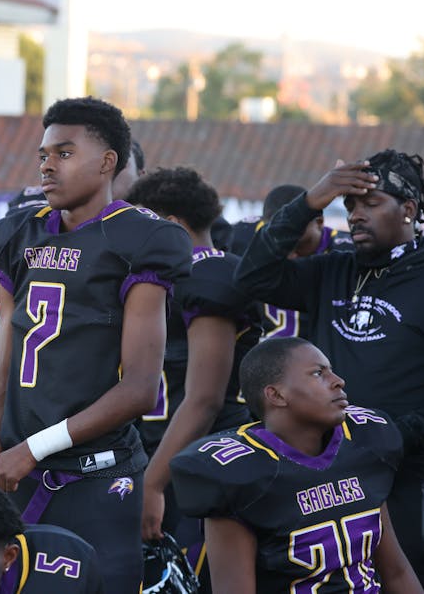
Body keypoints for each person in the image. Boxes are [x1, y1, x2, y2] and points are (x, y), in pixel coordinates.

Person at [233, 148, 424, 593]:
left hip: (406, 482)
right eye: (349, 206)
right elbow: (251, 277)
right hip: (325, 479)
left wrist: (388, 437)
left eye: (371, 205)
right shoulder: (333, 270)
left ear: (408, 210)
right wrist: (309, 203)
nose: (355, 216)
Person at [0, 97, 192, 592]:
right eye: (44, 154)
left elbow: (139, 389)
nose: (48, 164)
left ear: (108, 161)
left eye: (65, 153)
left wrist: (33, 448)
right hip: (12, 471)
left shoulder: (139, 239)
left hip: (96, 476)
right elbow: (4, 370)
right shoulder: (18, 234)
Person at [171, 337, 424, 593]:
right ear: (277, 395)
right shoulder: (240, 476)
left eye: (330, 370)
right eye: (318, 373)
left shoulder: (363, 445)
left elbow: (396, 571)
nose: (338, 381)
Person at [126, 166, 259, 582]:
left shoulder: (208, 273)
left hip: (204, 459)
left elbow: (204, 398)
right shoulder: (167, 278)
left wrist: (152, 483)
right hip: (166, 455)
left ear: (170, 225)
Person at [225, 185, 353, 340]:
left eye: (298, 245)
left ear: (319, 222)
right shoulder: (240, 237)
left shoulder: (349, 250)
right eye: (281, 246)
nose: (290, 255)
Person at [6, 138, 146, 214]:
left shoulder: (153, 222)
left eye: (119, 163)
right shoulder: (35, 204)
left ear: (141, 175)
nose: (107, 168)